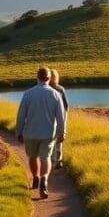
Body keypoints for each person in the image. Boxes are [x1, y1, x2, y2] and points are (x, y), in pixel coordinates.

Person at [16, 66, 66, 199]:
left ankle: (36, 177)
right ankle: (44, 179)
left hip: (31, 133)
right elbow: (61, 116)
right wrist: (62, 133)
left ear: (37, 78)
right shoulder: (55, 94)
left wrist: (18, 131)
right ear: (49, 79)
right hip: (48, 134)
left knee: (32, 157)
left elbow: (21, 115)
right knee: (46, 158)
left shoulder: (28, 93)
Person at [49, 68, 69, 169]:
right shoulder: (60, 89)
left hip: (49, 119)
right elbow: (66, 106)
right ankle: (58, 161)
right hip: (60, 117)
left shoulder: (45, 89)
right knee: (59, 141)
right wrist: (65, 118)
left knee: (50, 141)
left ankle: (52, 161)